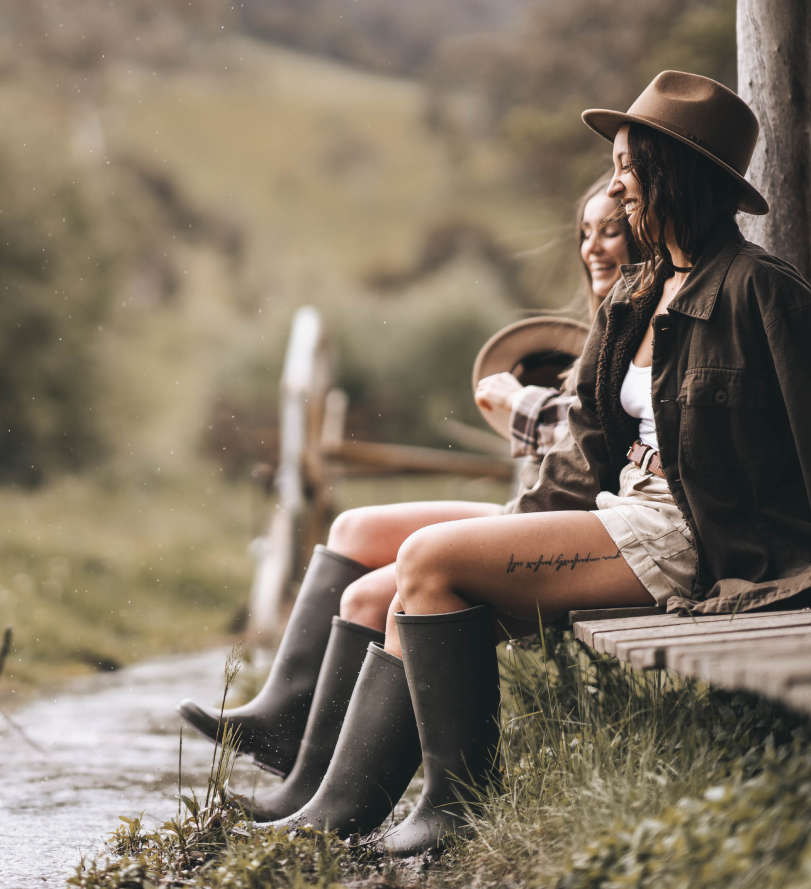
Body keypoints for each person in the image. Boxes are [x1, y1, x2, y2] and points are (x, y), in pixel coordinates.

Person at [260, 70, 811, 856]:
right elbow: (588, 440)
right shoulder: (640, 290)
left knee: (427, 561)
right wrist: (521, 531)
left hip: (695, 537)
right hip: (623, 515)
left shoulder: (761, 291)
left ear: (672, 174)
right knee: (393, 593)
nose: (617, 190)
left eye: (628, 168)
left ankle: (448, 813)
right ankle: (333, 815)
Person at [177, 177, 637, 817]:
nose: (593, 247)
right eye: (585, 232)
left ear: (646, 231)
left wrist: (518, 404)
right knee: (355, 530)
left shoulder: (644, 326)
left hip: (585, 524)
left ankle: (326, 793)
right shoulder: (605, 326)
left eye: (611, 229)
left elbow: (606, 436)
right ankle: (295, 747)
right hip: (552, 507)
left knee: (373, 592)